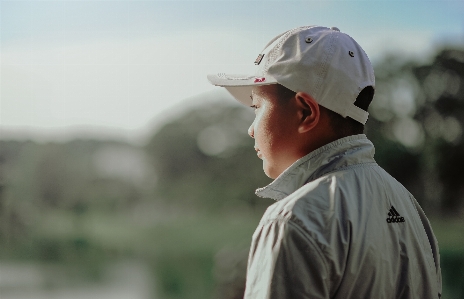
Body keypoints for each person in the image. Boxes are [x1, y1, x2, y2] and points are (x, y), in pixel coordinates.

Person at [207, 25, 442, 299]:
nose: (251, 129)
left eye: (257, 108)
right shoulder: (408, 205)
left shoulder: (292, 220)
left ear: (306, 112)